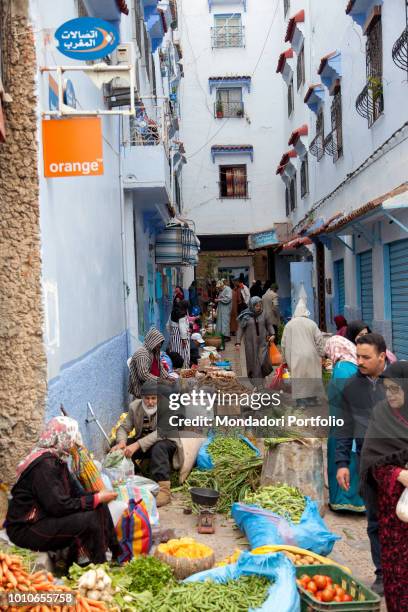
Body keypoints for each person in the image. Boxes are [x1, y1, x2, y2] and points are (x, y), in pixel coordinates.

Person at [6, 417, 119, 567]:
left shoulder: (57, 460)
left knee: (100, 505)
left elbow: (76, 494)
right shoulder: (43, 465)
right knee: (89, 518)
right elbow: (58, 506)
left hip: (45, 517)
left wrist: (99, 497)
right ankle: (99, 568)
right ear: (62, 438)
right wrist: (95, 498)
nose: (73, 443)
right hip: (26, 529)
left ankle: (117, 554)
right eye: (71, 438)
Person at [335, 332, 387, 595]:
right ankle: (381, 574)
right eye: (357, 356)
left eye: (366, 357)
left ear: (382, 357)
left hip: (400, 466)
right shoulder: (351, 388)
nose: (360, 362)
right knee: (375, 520)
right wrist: (342, 463)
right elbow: (344, 428)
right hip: (368, 463)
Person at [360, 362, 408, 611]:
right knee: (397, 572)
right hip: (394, 511)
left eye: (396, 390)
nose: (391, 395)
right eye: (388, 389)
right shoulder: (381, 415)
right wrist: (398, 474)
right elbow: (371, 461)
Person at [112, 382, 184, 507]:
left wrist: (136, 445)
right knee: (116, 446)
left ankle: (164, 491)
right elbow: (124, 428)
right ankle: (134, 477)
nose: (150, 402)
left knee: (158, 447)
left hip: (166, 443)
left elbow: (160, 433)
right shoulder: (135, 407)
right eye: (147, 398)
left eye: (153, 398)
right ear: (142, 398)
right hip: (144, 442)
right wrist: (122, 442)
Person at [325, 336, 365, 513]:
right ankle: (360, 501)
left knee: (342, 460)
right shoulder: (354, 365)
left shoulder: (341, 369)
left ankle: (344, 502)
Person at [280, 298, 326, 406]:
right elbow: (319, 340)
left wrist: (284, 359)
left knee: (299, 378)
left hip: (295, 357)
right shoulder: (312, 324)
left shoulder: (289, 325)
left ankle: (301, 403)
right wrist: (321, 354)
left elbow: (283, 344)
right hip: (311, 356)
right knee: (311, 377)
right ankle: (313, 400)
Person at [236, 296, 275, 384]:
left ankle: (260, 379)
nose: (259, 307)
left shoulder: (264, 314)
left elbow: (269, 325)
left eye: (260, 305)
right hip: (250, 343)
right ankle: (256, 381)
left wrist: (272, 334)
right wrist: (238, 342)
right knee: (252, 361)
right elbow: (240, 329)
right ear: (252, 305)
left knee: (262, 360)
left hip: (263, 342)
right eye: (256, 306)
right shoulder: (245, 315)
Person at [128, 327, 173, 397]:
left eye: (161, 343)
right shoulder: (142, 354)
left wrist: (167, 377)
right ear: (152, 341)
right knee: (169, 391)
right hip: (143, 386)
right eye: (158, 343)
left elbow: (160, 367)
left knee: (174, 386)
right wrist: (161, 381)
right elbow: (144, 375)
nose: (160, 345)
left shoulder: (154, 351)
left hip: (154, 383)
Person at [167, 299, 190, 367]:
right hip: (181, 335)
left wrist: (172, 333)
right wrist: (184, 339)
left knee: (175, 352)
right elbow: (182, 327)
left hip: (174, 335)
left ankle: (175, 368)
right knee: (184, 352)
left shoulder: (173, 311)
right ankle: (185, 367)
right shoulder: (182, 314)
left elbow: (168, 325)